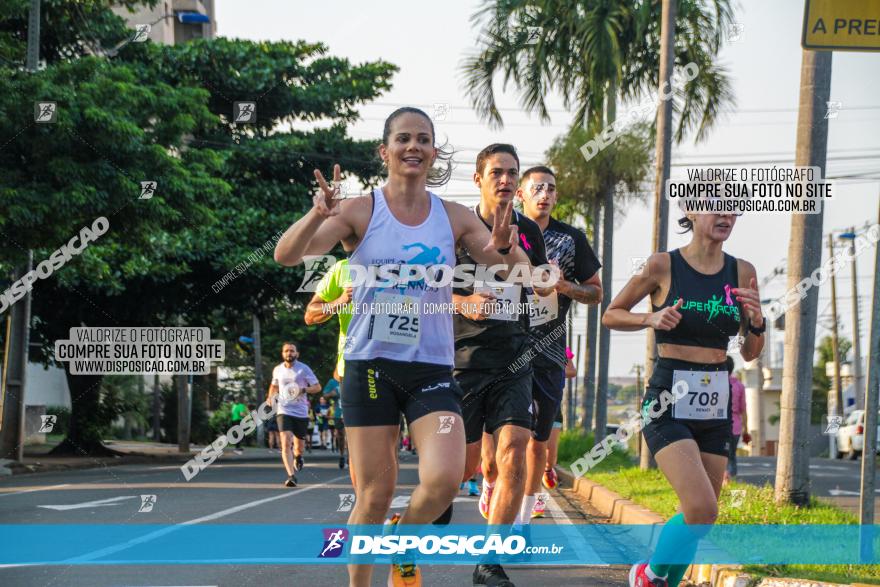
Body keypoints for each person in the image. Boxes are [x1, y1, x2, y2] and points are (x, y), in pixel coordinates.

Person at [273, 107, 533, 587]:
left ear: (434, 152)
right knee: (374, 494)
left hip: (431, 367)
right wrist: (317, 214)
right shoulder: (357, 210)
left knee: (444, 479)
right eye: (403, 139)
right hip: (370, 365)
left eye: (423, 139)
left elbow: (527, 280)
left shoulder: (452, 217)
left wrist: (503, 247)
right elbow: (287, 255)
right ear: (385, 150)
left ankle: (403, 539)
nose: (413, 146)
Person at [602, 209, 765, 587]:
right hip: (667, 399)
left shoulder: (741, 271)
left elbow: (751, 352)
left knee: (702, 518)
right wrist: (651, 319)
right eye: (715, 205)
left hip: (716, 397)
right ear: (691, 210)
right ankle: (649, 573)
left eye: (733, 207)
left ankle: (661, 581)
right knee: (701, 507)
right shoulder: (663, 265)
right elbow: (612, 314)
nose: (727, 215)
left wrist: (756, 320)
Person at [450, 144, 558, 586]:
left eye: (512, 172)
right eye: (496, 172)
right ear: (478, 179)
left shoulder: (528, 229)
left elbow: (542, 288)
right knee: (464, 467)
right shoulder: (455, 227)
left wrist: (521, 261)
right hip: (463, 359)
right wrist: (464, 301)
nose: (506, 180)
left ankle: (490, 561)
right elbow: (423, 288)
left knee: (516, 450)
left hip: (516, 355)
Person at [516, 166, 602, 521]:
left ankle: (523, 511)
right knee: (500, 439)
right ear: (521, 194)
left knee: (538, 438)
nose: (545, 194)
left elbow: (596, 293)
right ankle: (491, 479)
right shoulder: (505, 233)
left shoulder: (571, 239)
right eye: (537, 188)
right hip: (505, 346)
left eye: (551, 188)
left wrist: (565, 286)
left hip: (549, 349)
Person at [305, 259, 353, 469]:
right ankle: (346, 457)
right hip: (354, 367)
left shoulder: (407, 265)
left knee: (389, 440)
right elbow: (310, 314)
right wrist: (340, 300)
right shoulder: (343, 268)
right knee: (356, 437)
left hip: (400, 364)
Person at [266, 342, 321, 487]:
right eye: (286, 351)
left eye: (292, 351)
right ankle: (291, 476)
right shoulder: (277, 369)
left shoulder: (304, 369)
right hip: (284, 410)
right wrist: (270, 397)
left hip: (301, 412)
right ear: (282, 353)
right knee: (285, 442)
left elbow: (317, 387)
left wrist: (303, 390)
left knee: (298, 446)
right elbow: (274, 385)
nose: (289, 353)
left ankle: (298, 456)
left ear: (297, 353)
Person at [543, 348, 577, 492]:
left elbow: (572, 371)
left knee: (550, 451)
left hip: (553, 404)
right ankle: (534, 497)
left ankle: (548, 469)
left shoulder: (560, 346)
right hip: (529, 403)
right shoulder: (526, 339)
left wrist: (550, 372)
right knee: (532, 451)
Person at [725, 356, 749, 482]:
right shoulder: (739, 386)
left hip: (718, 426)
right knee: (732, 455)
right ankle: (731, 480)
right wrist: (746, 429)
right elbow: (743, 410)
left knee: (720, 454)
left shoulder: (717, 383)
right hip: (736, 426)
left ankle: (723, 480)